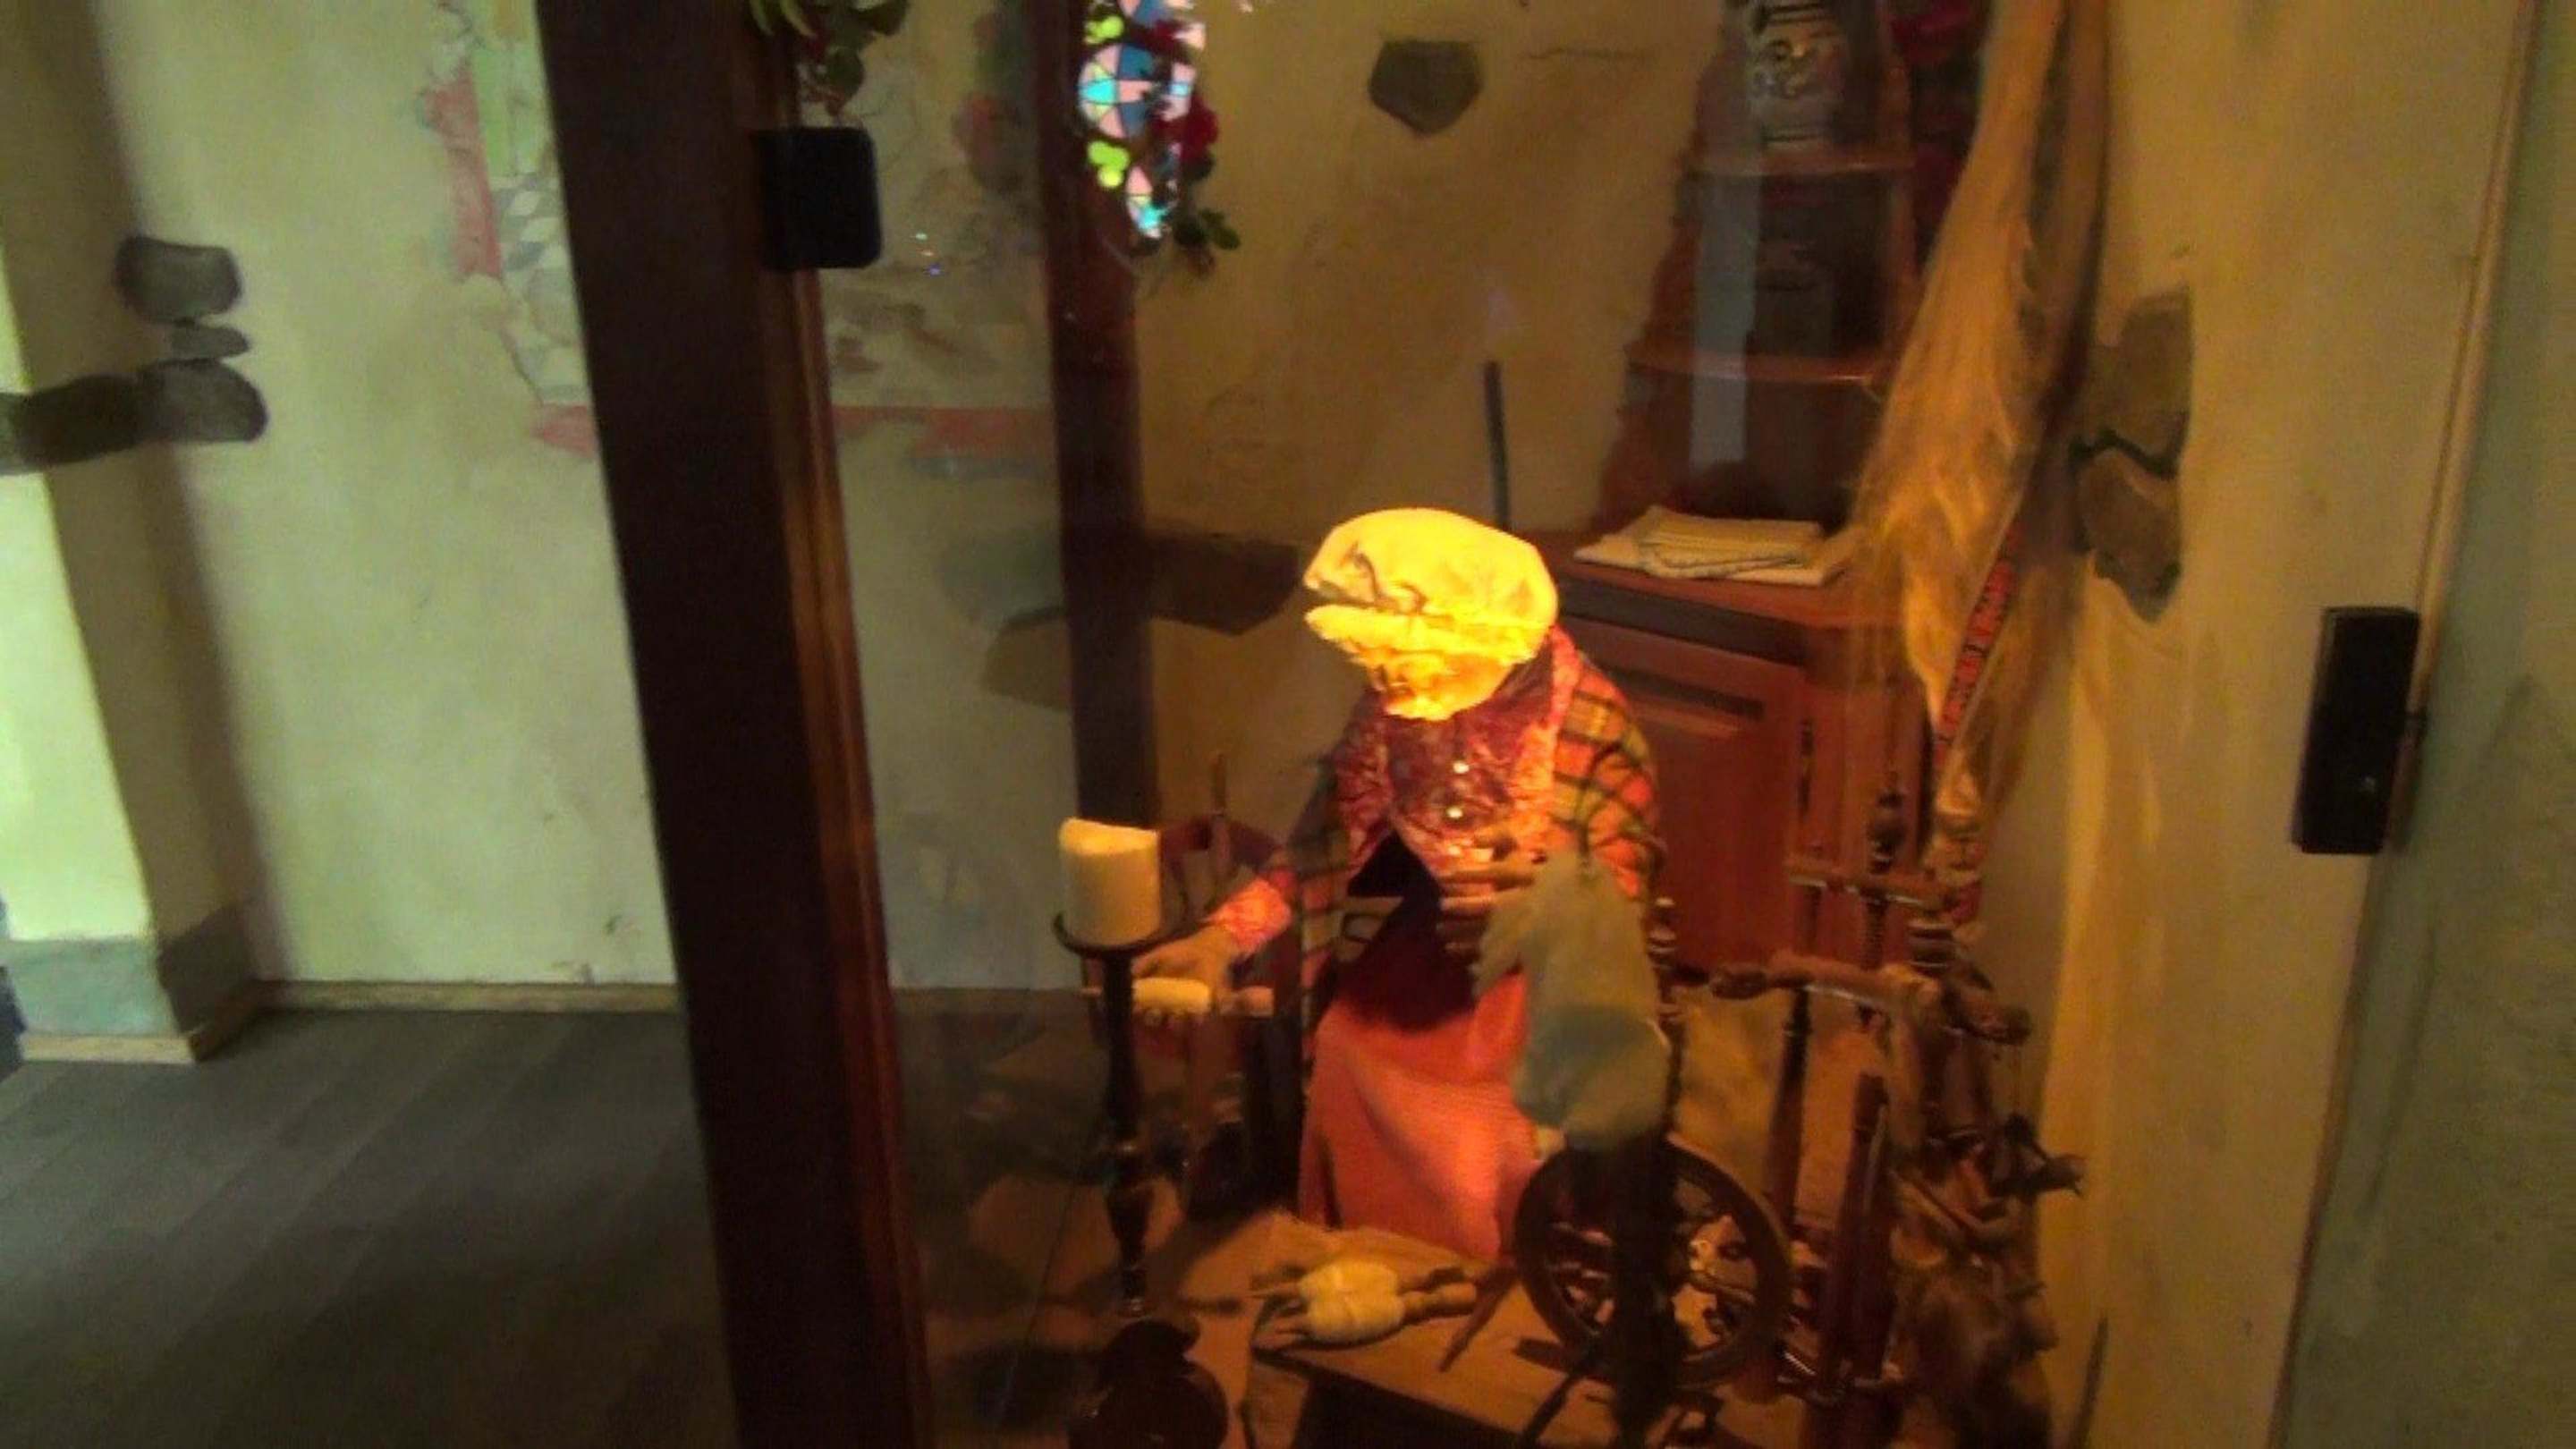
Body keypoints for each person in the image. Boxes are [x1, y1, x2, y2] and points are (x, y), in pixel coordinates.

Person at [1139, 508, 1661, 1259]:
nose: (1389, 682)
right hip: (1432, 937)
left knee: (1494, 1112)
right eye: (1378, 661)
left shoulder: (1590, 719)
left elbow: (1627, 875)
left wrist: (1553, 906)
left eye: (1407, 661)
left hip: (1545, 965)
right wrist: (1222, 939)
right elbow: (1324, 844)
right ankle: (1369, 1252)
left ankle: (1495, 1263)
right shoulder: (1392, 713)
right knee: (1348, 1051)